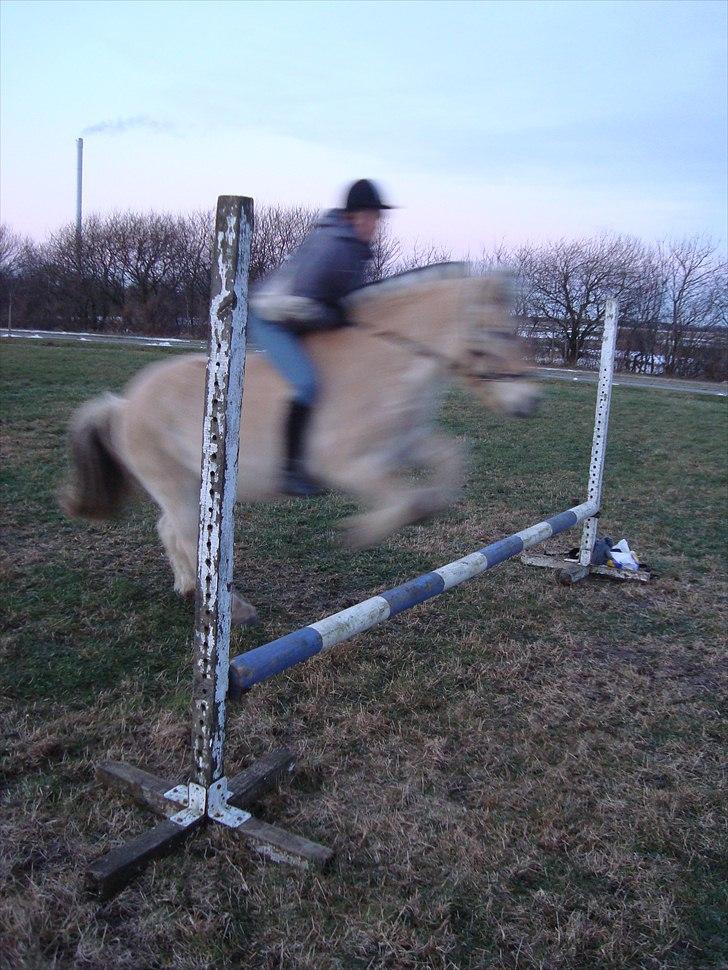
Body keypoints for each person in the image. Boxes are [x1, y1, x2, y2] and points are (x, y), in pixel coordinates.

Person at [249, 179, 393, 496]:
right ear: (353, 216)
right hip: (271, 319)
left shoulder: (354, 248)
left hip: (299, 319)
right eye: (370, 216)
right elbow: (301, 304)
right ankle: (289, 470)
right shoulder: (332, 247)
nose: (375, 224)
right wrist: (336, 315)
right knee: (307, 384)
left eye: (377, 217)